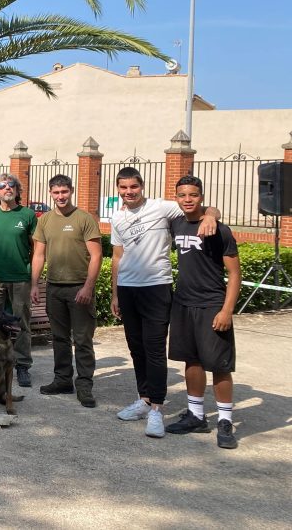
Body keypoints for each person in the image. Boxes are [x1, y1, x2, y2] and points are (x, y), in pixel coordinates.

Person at [110, 166, 220, 438]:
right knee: (136, 348)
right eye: (123, 187)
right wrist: (115, 293)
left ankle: (157, 409)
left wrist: (210, 216)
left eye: (133, 186)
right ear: (118, 189)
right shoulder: (117, 217)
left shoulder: (161, 208)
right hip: (127, 288)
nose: (129, 192)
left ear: (142, 186)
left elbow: (200, 207)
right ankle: (144, 399)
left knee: (155, 349)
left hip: (156, 288)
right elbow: (117, 257)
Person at [164, 176, 241, 448]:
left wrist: (226, 311)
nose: (187, 199)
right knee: (191, 361)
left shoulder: (220, 230)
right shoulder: (175, 223)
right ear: (176, 197)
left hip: (212, 305)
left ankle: (225, 421)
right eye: (182, 195)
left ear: (202, 197)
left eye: (193, 195)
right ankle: (196, 415)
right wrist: (210, 212)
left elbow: (235, 274)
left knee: (219, 365)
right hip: (183, 304)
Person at [29, 175, 102, 407]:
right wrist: (34, 284)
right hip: (54, 288)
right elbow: (38, 255)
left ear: (71, 191)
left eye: (64, 192)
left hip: (79, 288)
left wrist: (88, 287)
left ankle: (84, 385)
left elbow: (96, 255)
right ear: (50, 193)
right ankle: (62, 380)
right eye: (56, 192)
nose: (60, 196)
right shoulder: (45, 220)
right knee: (59, 338)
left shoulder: (84, 218)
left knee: (82, 339)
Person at [0, 172, 37, 388]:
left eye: (11, 184)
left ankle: (22, 365)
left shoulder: (28, 215)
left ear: (17, 189)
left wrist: (30, 273)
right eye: (2, 185)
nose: (7, 188)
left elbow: (35, 248)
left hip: (20, 278)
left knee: (22, 322)